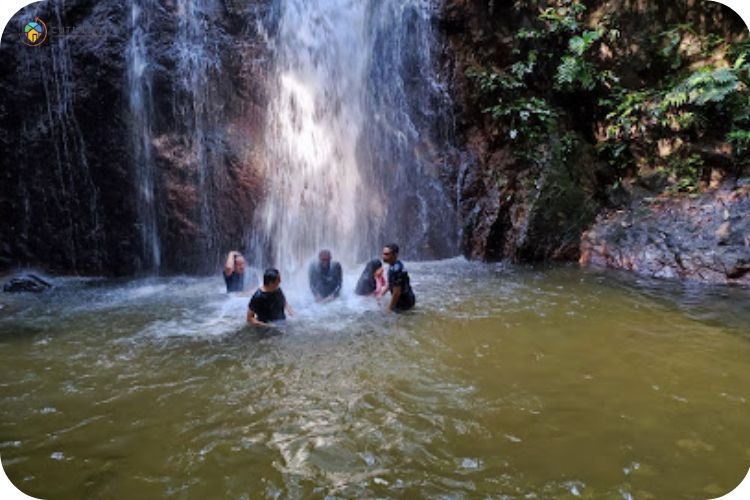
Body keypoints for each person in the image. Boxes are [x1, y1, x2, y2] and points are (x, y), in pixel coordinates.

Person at [382, 243, 416, 312]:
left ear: (395, 255)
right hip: (404, 298)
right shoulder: (394, 264)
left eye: (387, 254)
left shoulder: (397, 270)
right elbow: (391, 283)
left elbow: (396, 292)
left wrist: (389, 308)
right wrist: (381, 294)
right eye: (383, 253)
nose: (383, 256)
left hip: (404, 302)